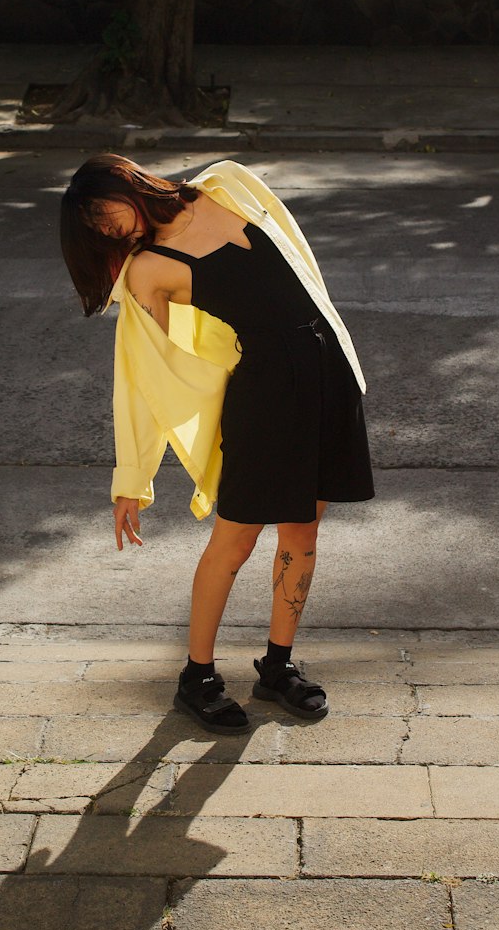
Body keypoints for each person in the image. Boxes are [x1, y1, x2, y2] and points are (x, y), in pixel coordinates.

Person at [60, 155, 373, 735]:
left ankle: (278, 668)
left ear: (127, 183)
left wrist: (345, 364)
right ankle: (196, 676)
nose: (111, 232)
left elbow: (303, 268)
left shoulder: (224, 185)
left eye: (105, 216)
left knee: (302, 532)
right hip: (266, 397)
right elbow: (142, 377)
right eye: (98, 232)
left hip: (330, 378)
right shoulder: (148, 270)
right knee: (235, 541)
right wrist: (133, 478)